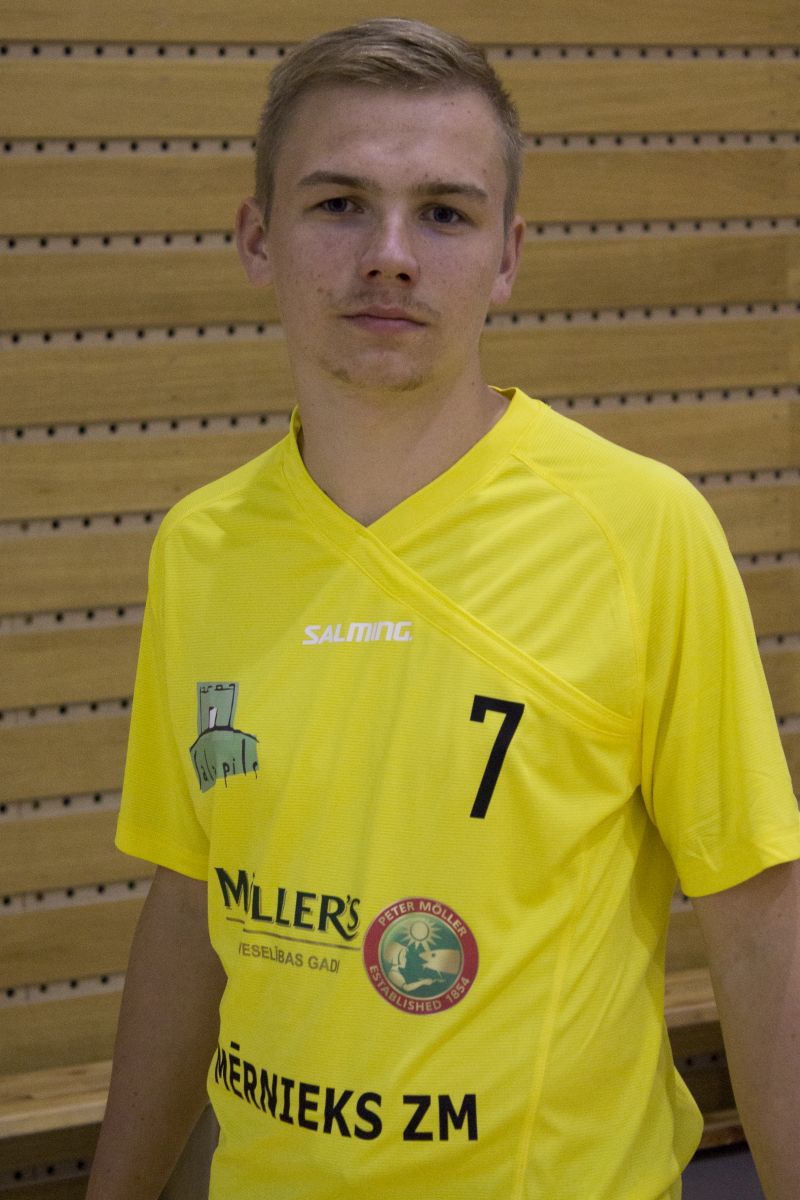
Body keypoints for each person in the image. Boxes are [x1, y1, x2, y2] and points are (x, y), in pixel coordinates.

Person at [87, 18, 800, 1200]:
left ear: (506, 257)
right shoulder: (200, 547)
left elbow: (756, 921)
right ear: (257, 237)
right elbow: (192, 894)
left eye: (443, 214)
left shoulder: (639, 529)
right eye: (338, 205)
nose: (390, 255)